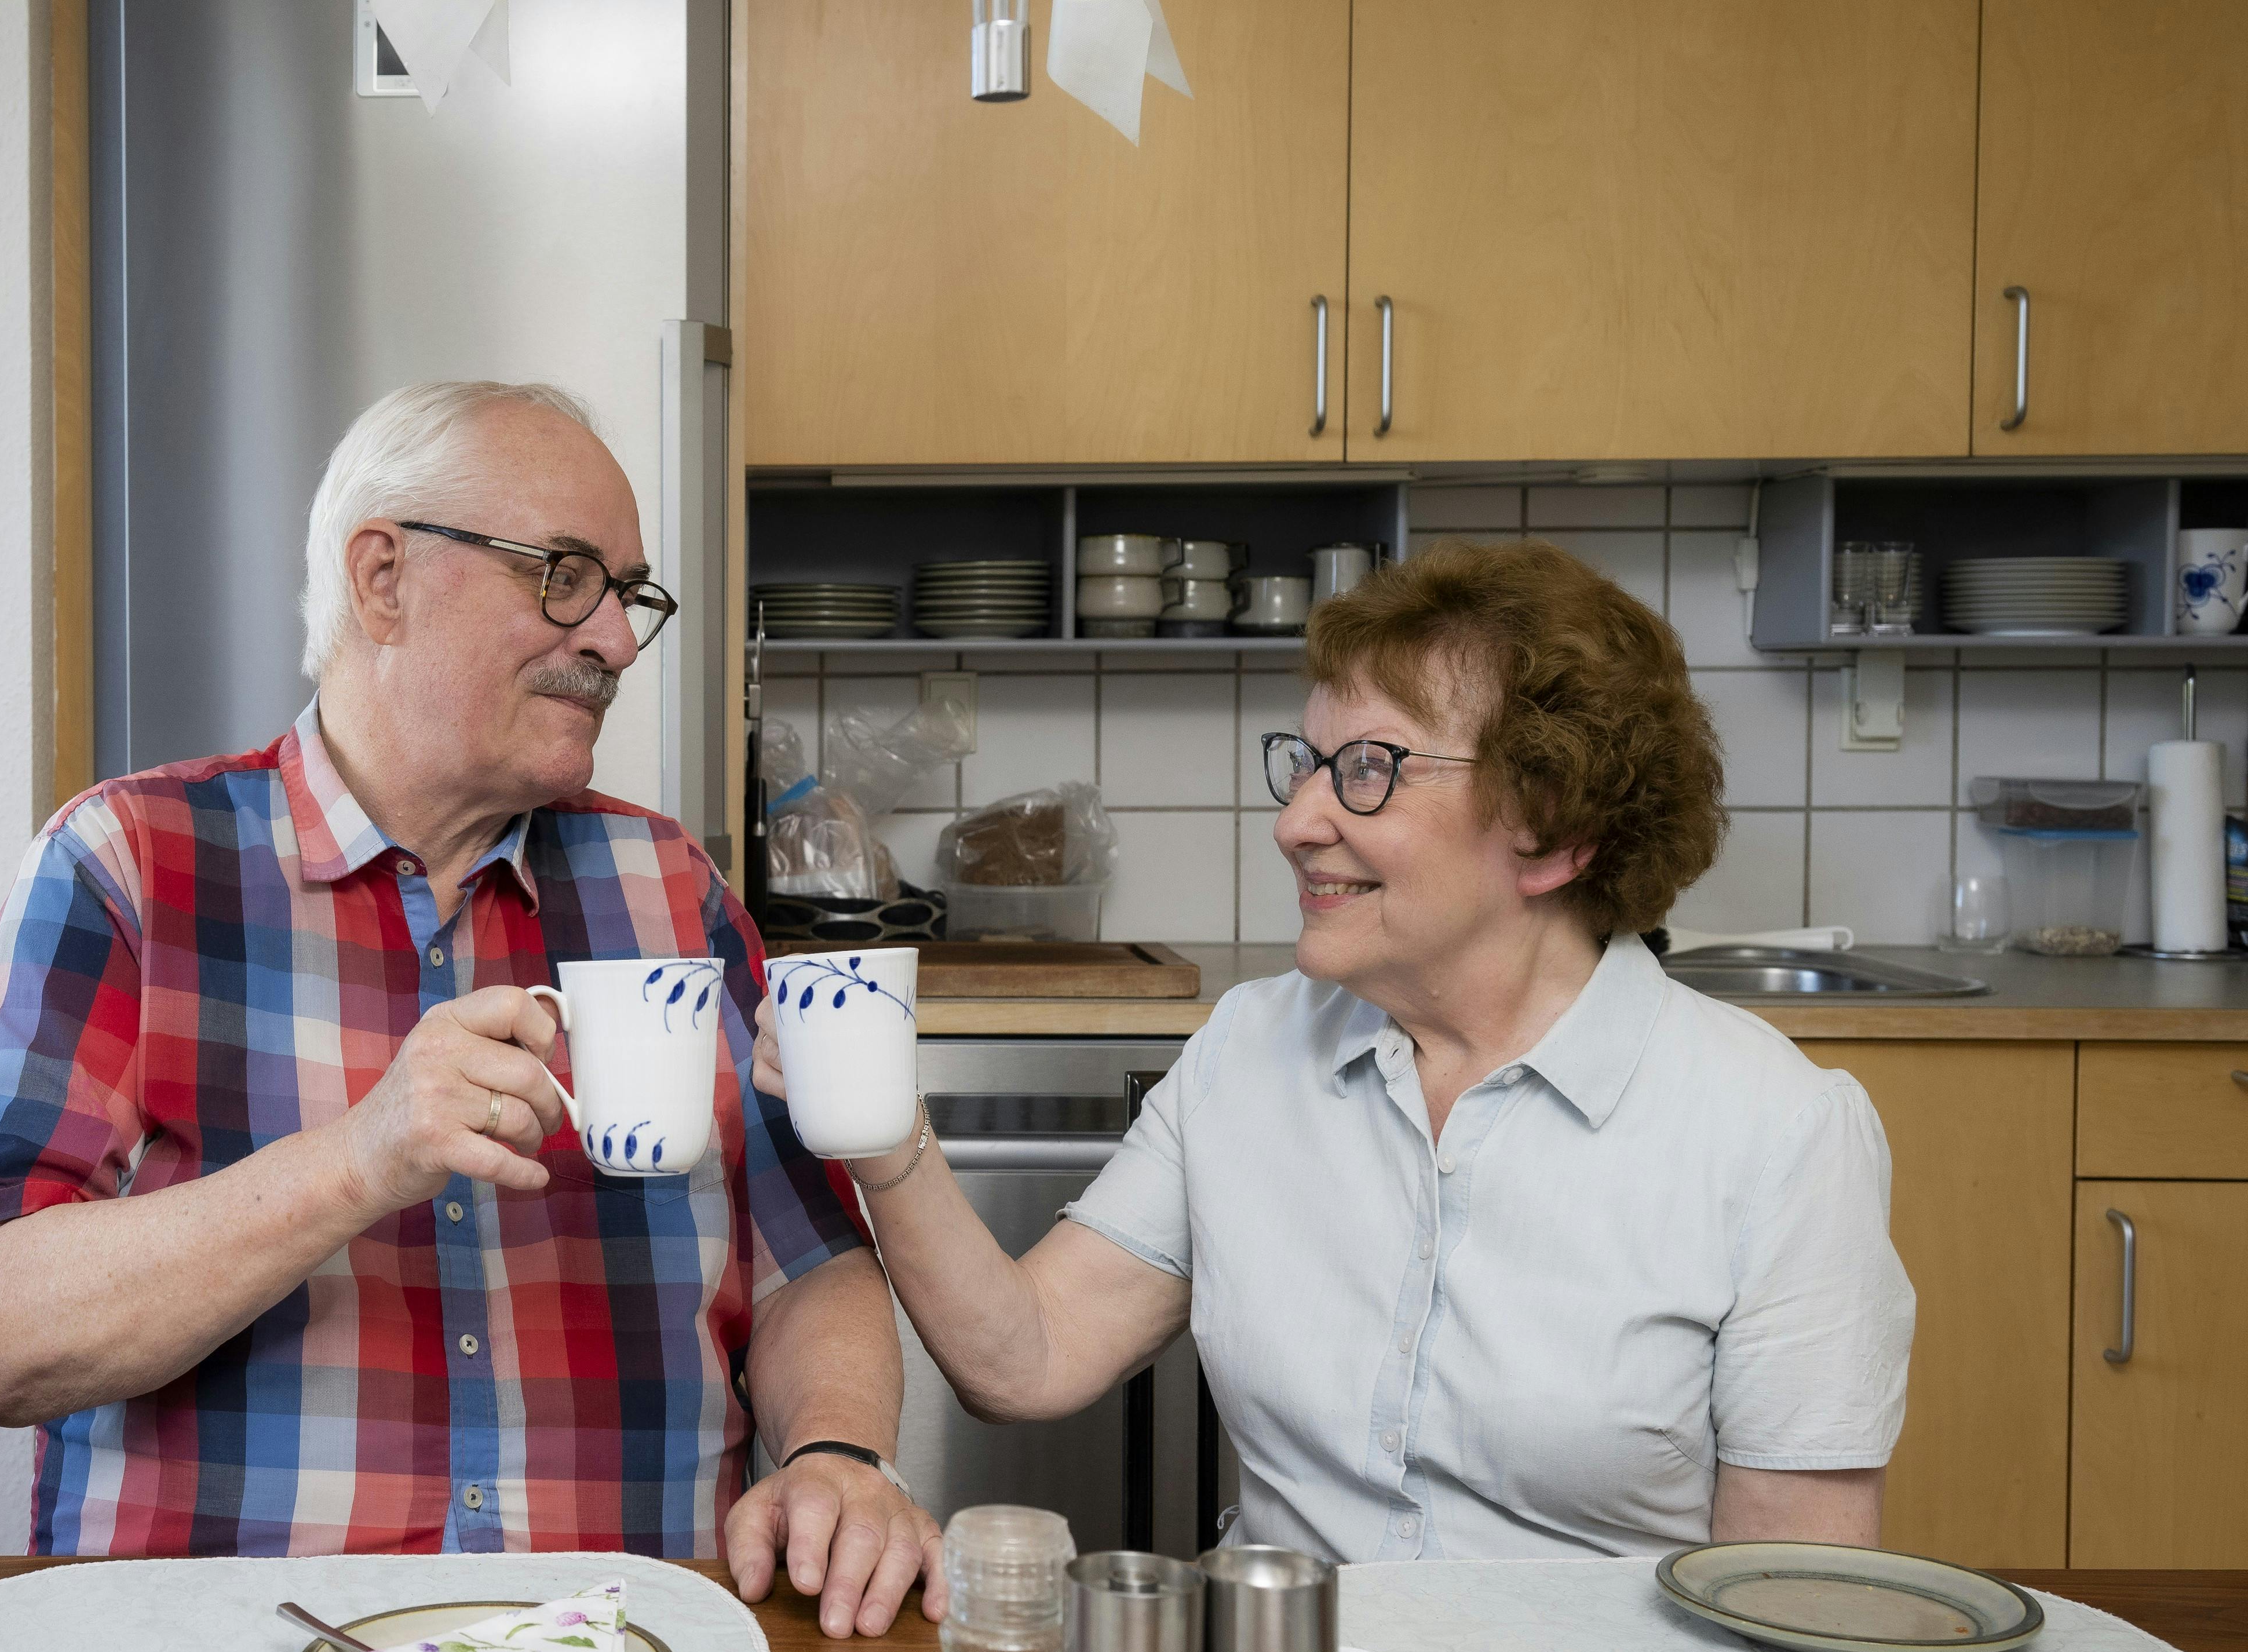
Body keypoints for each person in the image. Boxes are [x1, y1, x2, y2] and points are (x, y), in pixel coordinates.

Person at [0, 380, 943, 1634]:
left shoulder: (670, 889)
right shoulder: (129, 863)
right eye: (564, 574)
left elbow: (811, 1267)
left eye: (627, 595)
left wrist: (838, 1453)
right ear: (382, 578)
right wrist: (360, 1158)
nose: (611, 640)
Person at [767, 543, 1913, 1562]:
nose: (1297, 818)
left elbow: (1791, 1596)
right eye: (1308, 761)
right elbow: (1029, 1357)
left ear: (1554, 824)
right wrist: (886, 1136)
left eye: (1369, 767)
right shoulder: (1250, 1050)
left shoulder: (1778, 1131)